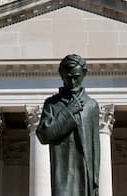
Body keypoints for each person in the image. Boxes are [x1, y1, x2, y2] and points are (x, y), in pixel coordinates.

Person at [36, 54, 100, 196]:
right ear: (61, 75)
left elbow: (95, 147)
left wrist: (95, 182)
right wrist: (68, 112)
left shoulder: (91, 106)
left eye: (76, 77)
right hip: (63, 170)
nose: (72, 81)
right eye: (68, 77)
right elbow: (43, 135)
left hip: (84, 171)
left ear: (84, 74)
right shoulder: (52, 104)